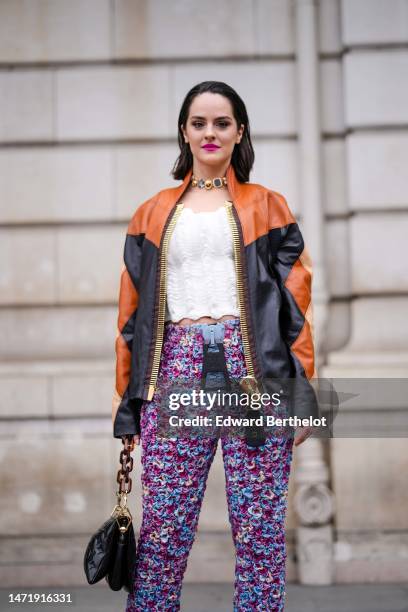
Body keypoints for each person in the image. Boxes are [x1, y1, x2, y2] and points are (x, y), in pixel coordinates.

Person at [113, 81, 318, 611]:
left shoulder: (268, 206)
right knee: (163, 531)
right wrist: (128, 400)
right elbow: (131, 314)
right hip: (175, 367)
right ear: (184, 130)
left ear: (239, 132)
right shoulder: (151, 212)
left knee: (260, 533)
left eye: (221, 123)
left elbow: (296, 304)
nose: (210, 133)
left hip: (254, 370)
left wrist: (302, 393)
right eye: (199, 123)